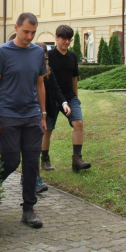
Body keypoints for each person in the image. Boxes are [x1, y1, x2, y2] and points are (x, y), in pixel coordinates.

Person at [0, 12, 47, 228]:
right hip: (8, 115)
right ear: (16, 27)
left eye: (33, 32)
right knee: (11, 161)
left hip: (31, 115)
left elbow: (40, 85)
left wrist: (42, 115)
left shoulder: (38, 54)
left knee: (32, 163)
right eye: (25, 32)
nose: (29, 36)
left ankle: (28, 208)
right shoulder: (3, 52)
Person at [43, 25, 91, 173]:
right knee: (47, 129)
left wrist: (75, 97)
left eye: (69, 39)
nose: (66, 42)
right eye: (63, 38)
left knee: (78, 123)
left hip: (69, 97)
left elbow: (74, 78)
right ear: (56, 38)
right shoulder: (49, 56)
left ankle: (77, 159)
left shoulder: (72, 56)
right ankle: (44, 159)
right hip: (51, 98)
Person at [33, 42, 72, 194]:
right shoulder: (30, 70)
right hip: (30, 111)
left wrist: (64, 103)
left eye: (44, 57)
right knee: (32, 144)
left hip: (46, 110)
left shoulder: (49, 71)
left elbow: (56, 89)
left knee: (40, 139)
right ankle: (32, 177)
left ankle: (39, 170)